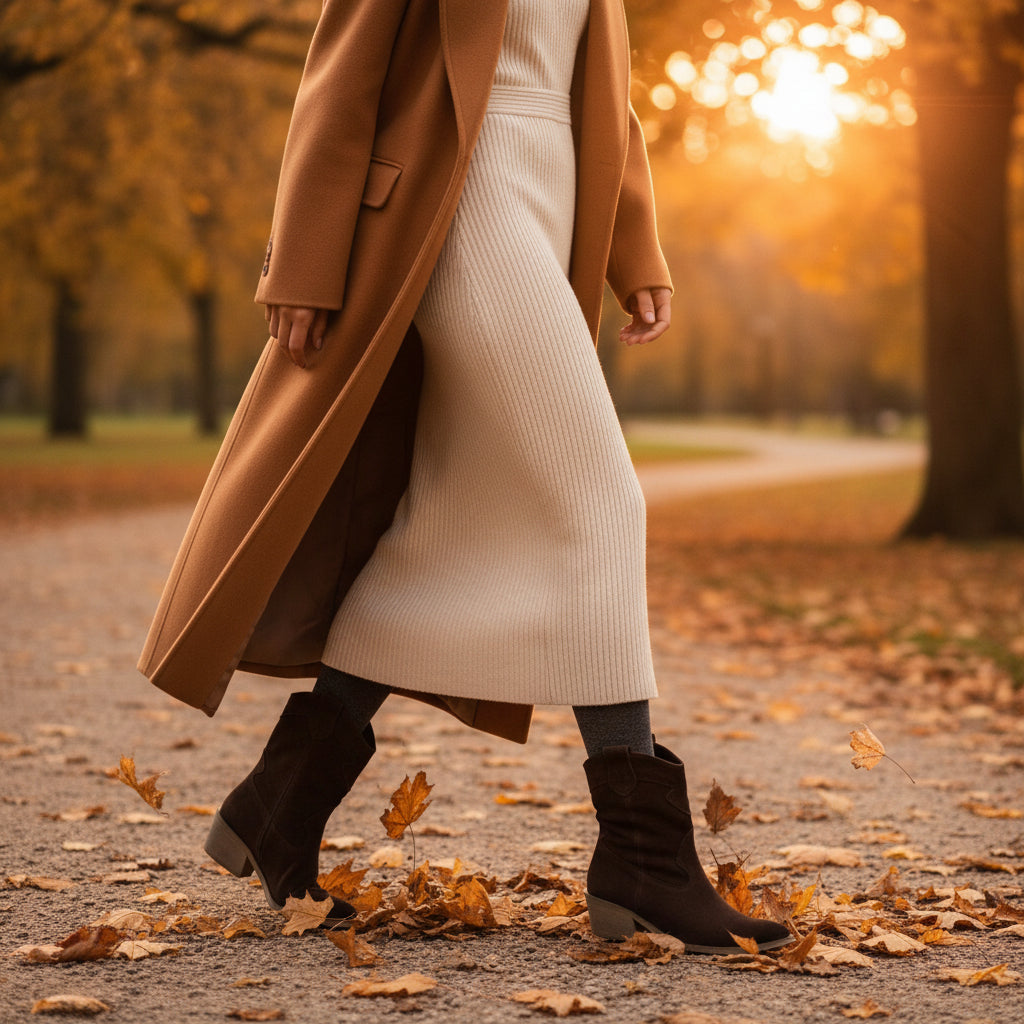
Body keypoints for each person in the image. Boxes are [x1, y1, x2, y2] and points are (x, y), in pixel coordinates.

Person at [139, 0, 789, 955]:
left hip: (554, 193)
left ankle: (280, 801)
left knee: (445, 522)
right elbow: (342, 72)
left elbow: (601, 84)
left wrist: (631, 241)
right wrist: (306, 260)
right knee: (602, 500)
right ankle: (644, 861)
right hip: (457, 197)